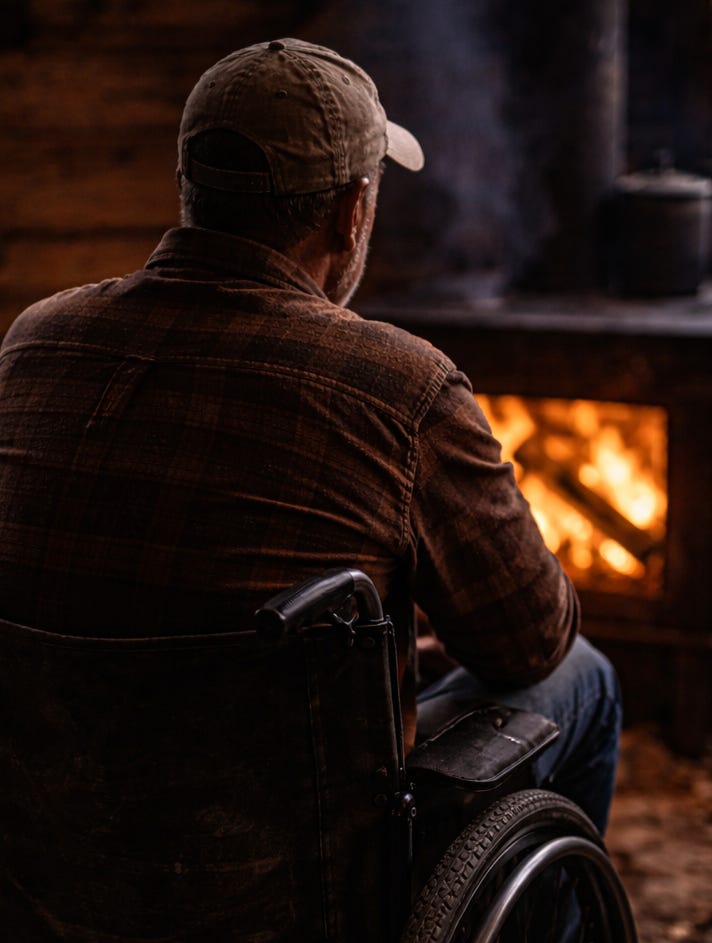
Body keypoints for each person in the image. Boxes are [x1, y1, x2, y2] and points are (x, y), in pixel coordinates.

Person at [0, 37, 620, 834]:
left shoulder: (34, 342)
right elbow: (531, 643)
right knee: (588, 679)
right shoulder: (400, 387)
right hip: (287, 883)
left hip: (54, 855)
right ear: (350, 212)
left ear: (189, 185)